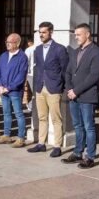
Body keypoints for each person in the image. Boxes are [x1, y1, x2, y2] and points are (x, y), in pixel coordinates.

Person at [62, 23, 99, 169]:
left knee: (89, 127)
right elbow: (68, 72)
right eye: (75, 35)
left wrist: (76, 90)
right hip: (73, 95)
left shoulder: (96, 52)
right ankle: (77, 152)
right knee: (77, 126)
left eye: (78, 34)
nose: (76, 37)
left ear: (87, 34)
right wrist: (69, 89)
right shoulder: (75, 51)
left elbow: (93, 76)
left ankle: (90, 157)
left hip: (87, 96)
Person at [28, 22, 69, 158]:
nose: (41, 34)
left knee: (56, 118)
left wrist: (61, 86)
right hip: (40, 88)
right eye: (39, 32)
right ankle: (41, 143)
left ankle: (57, 146)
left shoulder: (60, 49)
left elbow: (65, 70)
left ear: (51, 32)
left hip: (54, 88)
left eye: (44, 32)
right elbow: (38, 69)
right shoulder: (38, 49)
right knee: (42, 117)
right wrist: (35, 88)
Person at [0, 33, 29, 147]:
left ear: (17, 43)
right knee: (6, 113)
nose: (7, 44)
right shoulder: (3, 55)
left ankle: (20, 138)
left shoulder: (22, 57)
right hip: (3, 90)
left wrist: (9, 88)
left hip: (14, 91)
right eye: (7, 42)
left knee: (18, 114)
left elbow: (21, 76)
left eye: (10, 42)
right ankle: (6, 135)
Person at [24, 38, 36, 112]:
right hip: (34, 73)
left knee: (33, 92)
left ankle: (31, 106)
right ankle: (31, 106)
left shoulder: (29, 49)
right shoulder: (34, 48)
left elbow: (26, 62)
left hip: (31, 73)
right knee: (35, 92)